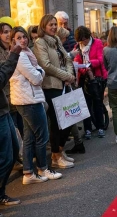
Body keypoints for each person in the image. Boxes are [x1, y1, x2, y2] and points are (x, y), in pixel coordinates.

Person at [10, 26, 62, 184]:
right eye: (19, 38)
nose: (23, 40)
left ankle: (28, 174)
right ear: (14, 40)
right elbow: (37, 78)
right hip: (29, 100)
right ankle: (43, 168)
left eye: (24, 37)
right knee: (42, 135)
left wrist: (38, 70)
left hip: (27, 99)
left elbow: (37, 73)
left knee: (30, 137)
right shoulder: (21, 56)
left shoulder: (26, 54)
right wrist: (39, 70)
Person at [33, 14, 75, 169]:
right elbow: (46, 65)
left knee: (70, 119)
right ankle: (55, 156)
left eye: (55, 24)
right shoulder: (40, 42)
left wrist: (69, 76)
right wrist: (66, 75)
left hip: (65, 84)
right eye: (50, 24)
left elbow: (68, 58)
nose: (53, 27)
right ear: (43, 26)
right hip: (51, 86)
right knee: (57, 123)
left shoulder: (57, 40)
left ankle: (60, 151)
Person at [74, 25, 107, 139]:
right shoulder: (77, 46)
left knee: (98, 102)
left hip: (97, 77)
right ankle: (87, 129)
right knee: (85, 104)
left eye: (84, 39)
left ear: (88, 36)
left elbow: (101, 59)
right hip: (84, 77)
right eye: (81, 40)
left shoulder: (97, 43)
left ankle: (100, 127)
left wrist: (90, 63)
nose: (83, 42)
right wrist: (83, 69)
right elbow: (77, 61)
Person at [56, 26, 85, 154]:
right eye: (64, 38)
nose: (66, 40)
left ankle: (68, 146)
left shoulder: (60, 47)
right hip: (61, 83)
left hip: (65, 83)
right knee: (68, 115)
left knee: (68, 114)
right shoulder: (56, 48)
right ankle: (75, 143)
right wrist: (70, 55)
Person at [0, 44, 22, 207]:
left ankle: (1, 194)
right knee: (5, 157)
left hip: (3, 109)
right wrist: (13, 56)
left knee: (13, 152)